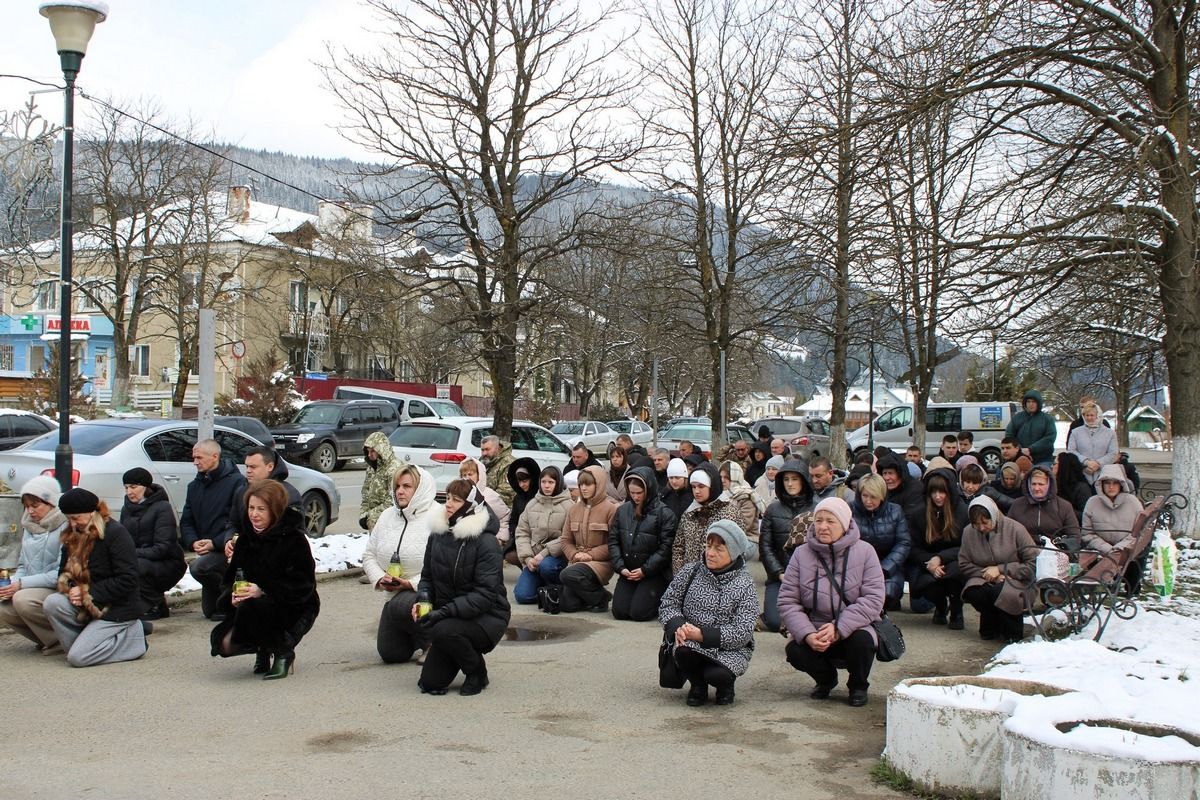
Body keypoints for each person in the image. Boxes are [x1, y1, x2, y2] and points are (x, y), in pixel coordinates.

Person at [779, 497, 886, 707]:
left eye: (830, 521)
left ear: (845, 525)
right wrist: (807, 633)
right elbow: (787, 600)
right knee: (795, 650)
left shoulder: (865, 552)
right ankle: (826, 680)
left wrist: (839, 627)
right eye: (818, 521)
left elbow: (874, 599)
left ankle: (858, 685)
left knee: (863, 641)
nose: (823, 526)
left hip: (854, 627)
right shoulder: (801, 554)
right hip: (816, 627)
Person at [210, 481, 320, 679]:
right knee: (225, 645)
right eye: (251, 508)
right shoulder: (245, 539)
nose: (254, 514)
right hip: (252, 606)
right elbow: (229, 579)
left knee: (253, 606)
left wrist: (263, 590)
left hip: (295, 605)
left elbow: (303, 586)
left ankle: (283, 652)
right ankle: (263, 646)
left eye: (261, 509)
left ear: (275, 510)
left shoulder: (294, 539)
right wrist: (232, 597)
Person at [415, 479, 511, 695]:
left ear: (470, 507)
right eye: (448, 498)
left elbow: (484, 595)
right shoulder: (438, 534)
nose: (448, 504)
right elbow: (427, 576)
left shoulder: (487, 543)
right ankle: (454, 646)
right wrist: (423, 599)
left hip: (488, 617)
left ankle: (477, 671)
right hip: (450, 616)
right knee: (430, 683)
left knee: (442, 630)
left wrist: (443, 613)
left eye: (456, 500)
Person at [658, 520, 758, 706]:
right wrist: (678, 627)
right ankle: (697, 685)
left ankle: (725, 687)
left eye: (719, 549)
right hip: (691, 643)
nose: (710, 553)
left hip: (730, 649)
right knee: (683, 651)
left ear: (734, 552)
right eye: (708, 545)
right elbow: (668, 603)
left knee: (716, 674)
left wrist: (703, 635)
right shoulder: (691, 572)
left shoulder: (745, 585)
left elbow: (743, 631)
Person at [44, 489, 147, 667]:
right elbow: (63, 572)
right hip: (88, 604)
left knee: (78, 658)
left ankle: (134, 640)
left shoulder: (116, 533)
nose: (73, 524)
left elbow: (128, 579)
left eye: (76, 518)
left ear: (93, 512)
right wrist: (71, 589)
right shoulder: (72, 534)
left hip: (117, 608)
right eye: (68, 519)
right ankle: (86, 646)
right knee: (52, 602)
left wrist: (87, 592)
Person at [363, 465, 437, 664]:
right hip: (393, 593)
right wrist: (380, 578)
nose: (400, 491)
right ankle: (415, 636)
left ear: (420, 488)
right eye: (397, 486)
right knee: (391, 653)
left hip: (430, 593)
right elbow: (369, 555)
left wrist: (410, 584)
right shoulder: (387, 516)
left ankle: (435, 643)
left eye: (407, 486)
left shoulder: (438, 517)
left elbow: (441, 565)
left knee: (400, 604)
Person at [182, 439, 247, 620]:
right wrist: (193, 541)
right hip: (207, 549)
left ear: (215, 456)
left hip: (224, 549)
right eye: (193, 458)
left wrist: (215, 543)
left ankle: (232, 596)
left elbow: (235, 521)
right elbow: (186, 520)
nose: (195, 462)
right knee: (210, 612)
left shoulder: (236, 483)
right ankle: (224, 599)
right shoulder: (194, 486)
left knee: (198, 568)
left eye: (199, 457)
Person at [0, 476, 66, 653]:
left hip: (59, 588)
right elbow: (22, 565)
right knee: (3, 606)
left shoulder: (66, 525)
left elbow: (60, 573)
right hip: (32, 586)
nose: (30, 511)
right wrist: (12, 584)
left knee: (22, 600)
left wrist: (20, 585)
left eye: (35, 506)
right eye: (27, 506)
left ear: (51, 503)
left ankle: (62, 641)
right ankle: (46, 640)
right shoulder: (29, 526)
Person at [959, 496, 1036, 643]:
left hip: (1018, 580)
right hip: (984, 578)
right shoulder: (968, 532)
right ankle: (990, 627)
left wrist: (1002, 570)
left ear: (993, 517)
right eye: (976, 524)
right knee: (974, 592)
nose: (981, 528)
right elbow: (964, 564)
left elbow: (1033, 564)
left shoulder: (1016, 529)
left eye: (985, 522)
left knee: (1003, 591)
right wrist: (990, 575)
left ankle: (1012, 633)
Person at [608, 466, 677, 621]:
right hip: (628, 570)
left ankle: (659, 597)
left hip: (652, 572)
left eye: (639, 493)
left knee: (639, 613)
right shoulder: (623, 510)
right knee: (619, 612)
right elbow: (613, 541)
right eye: (632, 493)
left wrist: (645, 570)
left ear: (649, 489)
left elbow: (666, 548)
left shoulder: (664, 514)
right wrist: (621, 567)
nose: (635, 497)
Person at [119, 468, 186, 621]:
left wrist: (131, 553)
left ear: (146, 487)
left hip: (168, 563)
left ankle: (154, 604)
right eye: (126, 487)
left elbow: (163, 547)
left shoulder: (162, 507)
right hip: (142, 559)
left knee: (135, 565)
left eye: (133, 487)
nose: (129, 492)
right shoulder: (126, 509)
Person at [907, 463, 968, 629]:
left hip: (955, 560)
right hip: (928, 563)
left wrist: (940, 558)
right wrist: (930, 562)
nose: (938, 497)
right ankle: (940, 605)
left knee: (956, 575)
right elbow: (913, 546)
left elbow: (967, 546)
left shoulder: (962, 512)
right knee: (925, 584)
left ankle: (956, 609)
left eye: (942, 492)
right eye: (933, 492)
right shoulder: (919, 514)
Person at [759, 459, 815, 632]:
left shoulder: (817, 509)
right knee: (775, 622)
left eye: (794, 479)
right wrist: (779, 573)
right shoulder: (773, 510)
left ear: (804, 480)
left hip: (810, 578)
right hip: (780, 576)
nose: (790, 484)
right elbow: (765, 547)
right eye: (786, 479)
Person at [559, 465, 619, 612]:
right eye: (581, 484)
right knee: (568, 605)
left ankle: (601, 597)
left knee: (567, 574)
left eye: (588, 484)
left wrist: (590, 555)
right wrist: (574, 554)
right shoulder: (574, 509)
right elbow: (565, 539)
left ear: (598, 485)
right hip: (577, 560)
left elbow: (613, 543)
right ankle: (593, 598)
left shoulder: (611, 509)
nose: (584, 488)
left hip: (600, 562)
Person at [513, 466, 573, 605]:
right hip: (533, 558)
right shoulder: (532, 504)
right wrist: (527, 558)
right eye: (543, 482)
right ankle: (542, 587)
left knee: (547, 566)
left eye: (551, 482)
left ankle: (559, 586)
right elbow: (522, 532)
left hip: (556, 558)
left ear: (558, 483)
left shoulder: (569, 506)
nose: (546, 486)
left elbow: (568, 536)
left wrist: (544, 553)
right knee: (522, 596)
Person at [1081, 464, 1146, 591]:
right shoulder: (1092, 502)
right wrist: (1107, 548)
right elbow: (1087, 533)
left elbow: (1139, 531)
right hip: (1100, 550)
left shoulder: (1133, 502)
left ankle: (1131, 588)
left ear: (1121, 484)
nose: (1111, 487)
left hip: (1127, 549)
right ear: (1101, 484)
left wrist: (1120, 548)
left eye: (1115, 483)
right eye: (1107, 483)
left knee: (1136, 557)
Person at [851, 474, 911, 612]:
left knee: (888, 591)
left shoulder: (895, 511)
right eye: (865, 496)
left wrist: (886, 567)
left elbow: (903, 542)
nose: (868, 501)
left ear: (882, 496)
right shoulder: (850, 511)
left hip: (888, 566)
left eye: (873, 497)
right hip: (858, 566)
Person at [672, 462, 742, 574]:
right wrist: (680, 575)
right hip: (689, 579)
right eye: (693, 487)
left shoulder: (729, 512)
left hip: (718, 580)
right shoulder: (689, 512)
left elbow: (737, 551)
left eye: (701, 486)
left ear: (712, 486)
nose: (696, 491)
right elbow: (678, 547)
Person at [228, 448, 302, 552]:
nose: (248, 471)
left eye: (253, 467)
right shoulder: (241, 491)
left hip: (276, 555)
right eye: (247, 466)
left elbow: (297, 533)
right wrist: (230, 540)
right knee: (202, 565)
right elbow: (233, 523)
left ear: (270, 466)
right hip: (241, 552)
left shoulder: (288, 494)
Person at [1007, 466, 1082, 555]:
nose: (1036, 488)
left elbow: (1074, 536)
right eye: (1033, 484)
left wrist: (1060, 547)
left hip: (1055, 553)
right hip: (1024, 553)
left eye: (1041, 484)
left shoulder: (1064, 506)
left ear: (1050, 485)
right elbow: (1007, 532)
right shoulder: (1017, 505)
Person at [1066, 401, 1117, 486]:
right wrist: (1086, 462)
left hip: (1104, 474)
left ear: (1098, 415)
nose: (1089, 418)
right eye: (1087, 415)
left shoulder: (1110, 433)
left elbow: (1113, 453)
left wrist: (1098, 463)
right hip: (1081, 474)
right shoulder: (1075, 432)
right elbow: (1071, 451)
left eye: (1092, 415)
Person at [459, 457, 511, 538]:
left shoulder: (489, 495)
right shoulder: (459, 496)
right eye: (464, 475)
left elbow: (504, 517)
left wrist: (500, 538)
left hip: (485, 540)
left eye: (470, 474)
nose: (467, 478)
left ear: (479, 475)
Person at [1004, 390, 1057, 466]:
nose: (1031, 404)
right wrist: (1020, 450)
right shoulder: (1017, 418)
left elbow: (1050, 438)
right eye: (1028, 402)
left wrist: (1031, 449)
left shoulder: (1047, 419)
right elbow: (1009, 435)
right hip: (1020, 458)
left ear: (1038, 403)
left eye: (1033, 402)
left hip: (1043, 459)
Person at [360, 431, 401, 530]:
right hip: (373, 522)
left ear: (381, 450)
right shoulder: (372, 468)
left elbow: (394, 500)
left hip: (389, 522)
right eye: (368, 451)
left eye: (372, 451)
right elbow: (366, 492)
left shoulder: (394, 468)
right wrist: (363, 514)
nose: (369, 455)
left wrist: (372, 515)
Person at [504, 457, 540, 565]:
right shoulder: (518, 498)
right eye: (519, 481)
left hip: (539, 541)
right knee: (510, 556)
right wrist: (516, 531)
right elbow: (513, 521)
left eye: (525, 481)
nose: (521, 485)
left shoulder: (540, 497)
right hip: (522, 539)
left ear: (533, 479)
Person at [719, 459, 759, 538]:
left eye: (726, 477)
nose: (722, 480)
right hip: (721, 538)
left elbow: (743, 526)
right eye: (720, 477)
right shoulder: (720, 495)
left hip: (747, 539)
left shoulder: (746, 497)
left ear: (735, 478)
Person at [1054, 451, 1094, 521]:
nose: (1052, 466)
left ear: (1064, 466)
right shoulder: (1053, 484)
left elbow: (1086, 515)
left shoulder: (1082, 488)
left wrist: (1063, 511)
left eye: (1055, 464)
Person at [479, 435, 515, 505]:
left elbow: (506, 493)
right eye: (482, 450)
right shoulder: (484, 461)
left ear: (498, 448)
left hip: (503, 508)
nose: (484, 453)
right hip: (484, 503)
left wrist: (480, 501)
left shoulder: (509, 464)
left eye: (487, 449)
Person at [661, 458, 694, 522]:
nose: (674, 481)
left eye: (677, 477)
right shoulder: (664, 495)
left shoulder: (692, 496)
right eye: (671, 478)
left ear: (685, 478)